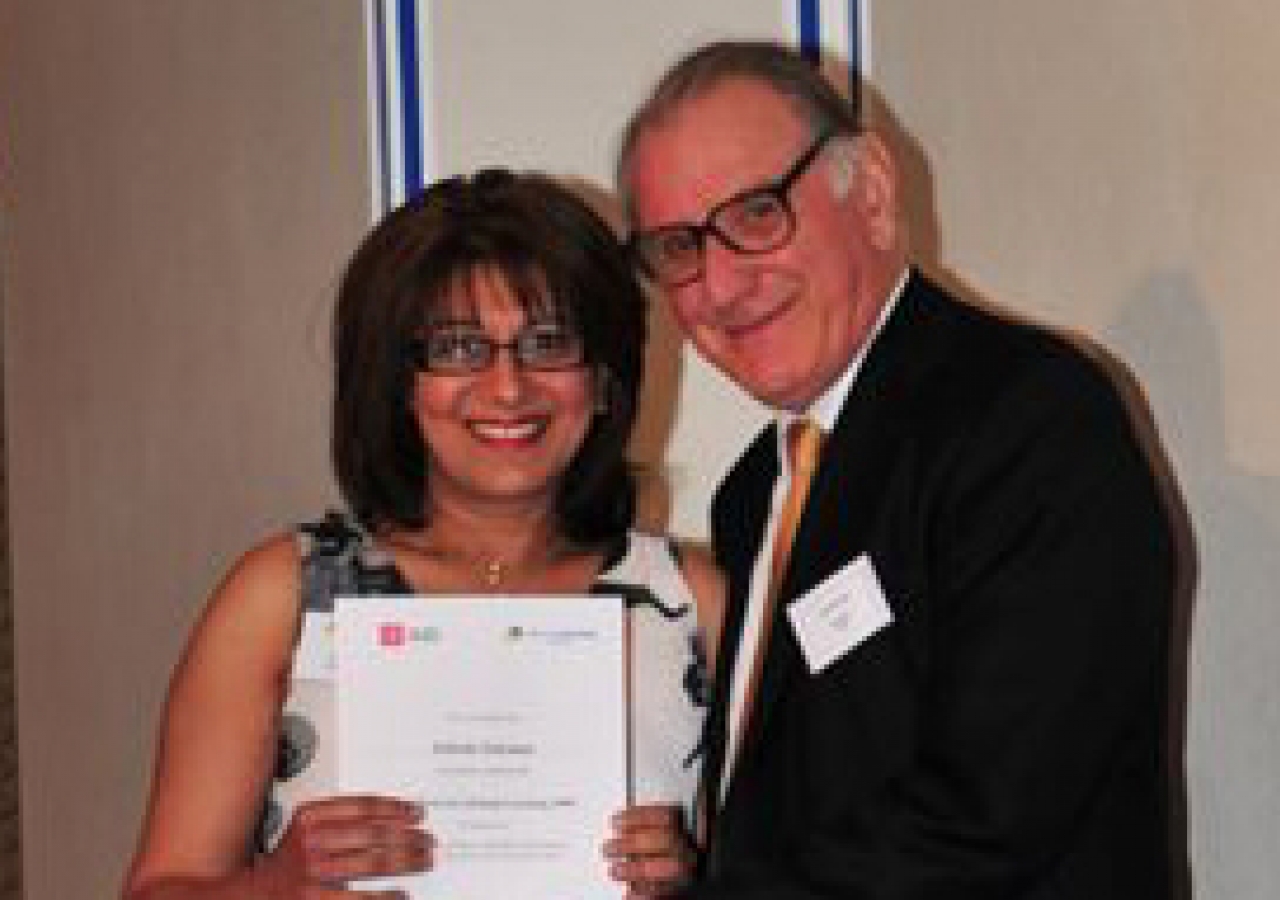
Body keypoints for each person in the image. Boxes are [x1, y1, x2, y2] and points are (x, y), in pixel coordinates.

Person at [616, 39, 1176, 899]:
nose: (721, 286)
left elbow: (987, 819)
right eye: (679, 248)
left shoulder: (1030, 422)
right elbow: (801, 811)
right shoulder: (754, 493)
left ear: (872, 193)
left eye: (757, 214)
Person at [122, 168, 723, 899]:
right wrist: (277, 887)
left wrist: (696, 877)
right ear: (400, 380)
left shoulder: (694, 602)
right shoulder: (280, 594)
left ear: (601, 379)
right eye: (460, 348)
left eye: (548, 343)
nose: (508, 387)